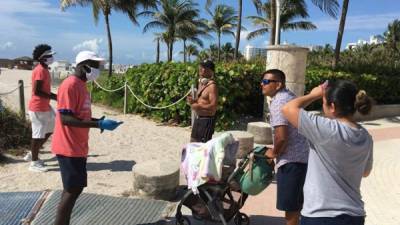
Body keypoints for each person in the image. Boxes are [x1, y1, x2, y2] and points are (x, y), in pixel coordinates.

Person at [281, 80, 373, 225]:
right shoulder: (366, 136)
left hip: (320, 215)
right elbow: (365, 172)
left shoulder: (326, 129)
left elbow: (287, 109)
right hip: (354, 215)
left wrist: (313, 95)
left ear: (333, 106)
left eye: (323, 102)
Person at [52, 51, 123, 225]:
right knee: (73, 190)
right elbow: (66, 119)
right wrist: (98, 125)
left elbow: (80, 116)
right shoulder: (70, 85)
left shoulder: (81, 85)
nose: (99, 70)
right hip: (68, 146)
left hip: (78, 146)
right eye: (96, 66)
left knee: (72, 189)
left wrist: (100, 121)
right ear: (85, 66)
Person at [261, 69, 309, 225]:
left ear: (278, 84)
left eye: (267, 82)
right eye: (262, 81)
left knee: (291, 208)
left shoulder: (279, 102)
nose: (262, 84)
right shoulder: (289, 97)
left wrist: (273, 153)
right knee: (297, 203)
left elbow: (282, 137)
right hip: (303, 157)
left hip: (291, 160)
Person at [25, 44, 57, 172]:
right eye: (49, 56)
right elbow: (37, 91)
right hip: (38, 107)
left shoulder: (44, 69)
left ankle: (32, 153)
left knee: (52, 127)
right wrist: (56, 97)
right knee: (37, 134)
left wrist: (55, 96)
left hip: (45, 106)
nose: (51, 57)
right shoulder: (40, 70)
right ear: (42, 58)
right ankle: (33, 162)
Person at [187, 59, 218, 143]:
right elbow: (203, 100)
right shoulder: (202, 84)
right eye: (201, 67)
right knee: (193, 143)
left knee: (203, 147)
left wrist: (198, 106)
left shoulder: (212, 86)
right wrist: (194, 100)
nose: (201, 69)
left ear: (211, 71)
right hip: (198, 119)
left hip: (206, 121)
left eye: (205, 68)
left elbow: (213, 107)